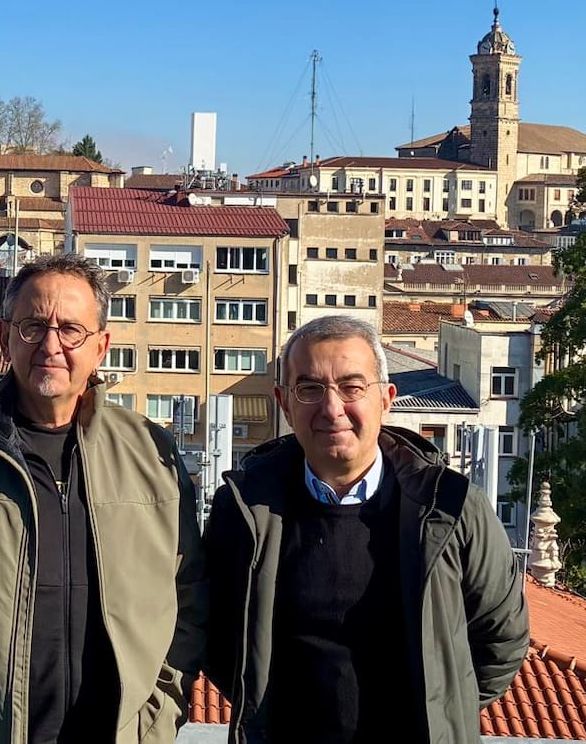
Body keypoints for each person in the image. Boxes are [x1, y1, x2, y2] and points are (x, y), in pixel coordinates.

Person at [0, 253, 206, 744]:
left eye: (71, 330)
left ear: (101, 346)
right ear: (4, 337)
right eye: (32, 327)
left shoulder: (151, 454)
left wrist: (153, 721)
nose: (51, 345)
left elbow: (188, 595)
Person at [204, 315, 529, 743]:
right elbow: (217, 636)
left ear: (386, 399)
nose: (332, 408)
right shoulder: (244, 510)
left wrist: (443, 709)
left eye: (351, 388)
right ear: (284, 403)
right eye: (310, 389)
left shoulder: (451, 507)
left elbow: (502, 639)